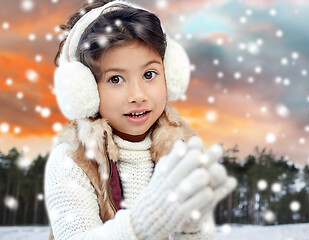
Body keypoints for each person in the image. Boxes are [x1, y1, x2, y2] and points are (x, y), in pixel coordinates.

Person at [44, 0, 237, 239]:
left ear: (169, 74)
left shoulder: (180, 151)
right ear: (85, 90)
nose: (137, 95)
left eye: (149, 74)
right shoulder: (72, 159)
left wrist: (192, 229)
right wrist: (141, 225)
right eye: (115, 79)